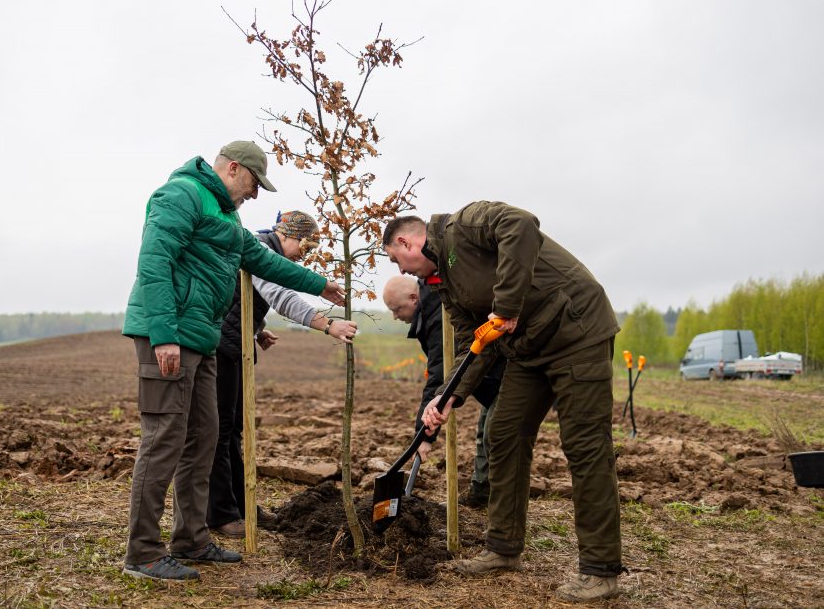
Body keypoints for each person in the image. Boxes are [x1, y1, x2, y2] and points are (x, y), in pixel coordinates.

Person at [121, 141, 345, 581]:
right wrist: (164, 335)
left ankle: (190, 538)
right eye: (254, 184)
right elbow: (154, 261)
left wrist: (319, 285)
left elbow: (261, 259)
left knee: (205, 436)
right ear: (233, 168)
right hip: (169, 335)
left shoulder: (227, 214)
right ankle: (142, 552)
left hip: (203, 340)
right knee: (164, 437)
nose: (257, 195)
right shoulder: (181, 194)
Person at [382, 202, 623, 602]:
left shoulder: (465, 225)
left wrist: (507, 304)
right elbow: (472, 346)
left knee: (585, 447)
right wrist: (448, 395)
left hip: (576, 331)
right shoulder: (444, 286)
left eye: (397, 260)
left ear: (407, 241)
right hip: (528, 350)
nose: (402, 271)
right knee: (503, 434)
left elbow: (522, 224)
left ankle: (600, 570)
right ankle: (503, 547)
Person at [208, 210, 358, 537]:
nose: (304, 256)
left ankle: (242, 506)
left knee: (233, 430)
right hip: (220, 349)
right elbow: (280, 295)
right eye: (304, 247)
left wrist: (256, 328)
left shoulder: (265, 249)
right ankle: (221, 513)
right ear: (289, 235)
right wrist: (327, 324)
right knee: (221, 432)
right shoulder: (260, 249)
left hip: (235, 344)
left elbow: (244, 296)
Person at [381, 276, 505, 507]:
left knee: (494, 435)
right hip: (488, 381)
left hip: (503, 374)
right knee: (484, 433)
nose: (395, 316)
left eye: (396, 309)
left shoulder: (439, 317)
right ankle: (481, 494)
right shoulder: (428, 312)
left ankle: (502, 504)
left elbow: (439, 374)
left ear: (413, 298)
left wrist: (425, 436)